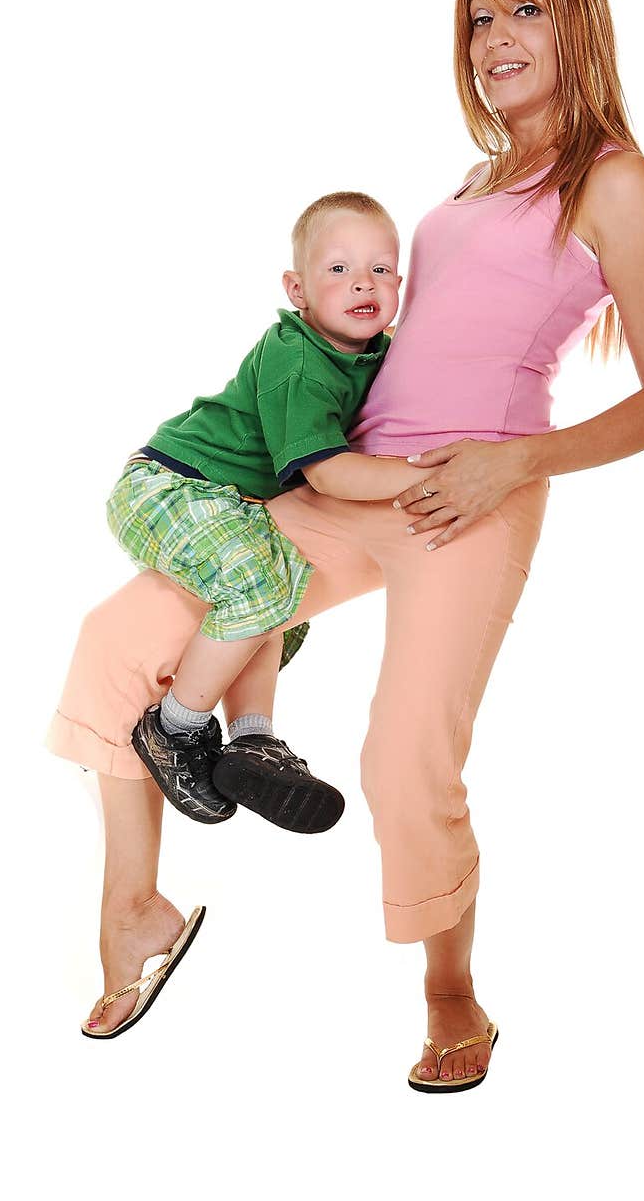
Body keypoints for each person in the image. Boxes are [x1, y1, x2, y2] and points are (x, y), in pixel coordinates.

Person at [47, 0, 644, 1081]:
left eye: (524, 12)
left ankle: (453, 992)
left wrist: (514, 464)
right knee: (118, 642)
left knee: (403, 755)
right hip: (349, 481)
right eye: (479, 19)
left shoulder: (617, 180)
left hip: (470, 500)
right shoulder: (475, 180)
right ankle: (133, 917)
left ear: (579, 24)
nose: (495, 40)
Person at [106, 191, 433, 833]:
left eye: (382, 269)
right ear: (299, 289)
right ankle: (173, 729)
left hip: (232, 501)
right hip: (168, 486)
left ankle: (252, 738)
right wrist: (420, 476)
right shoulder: (297, 358)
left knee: (286, 592)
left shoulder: (377, 348)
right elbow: (328, 472)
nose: (363, 282)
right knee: (258, 583)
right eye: (338, 270)